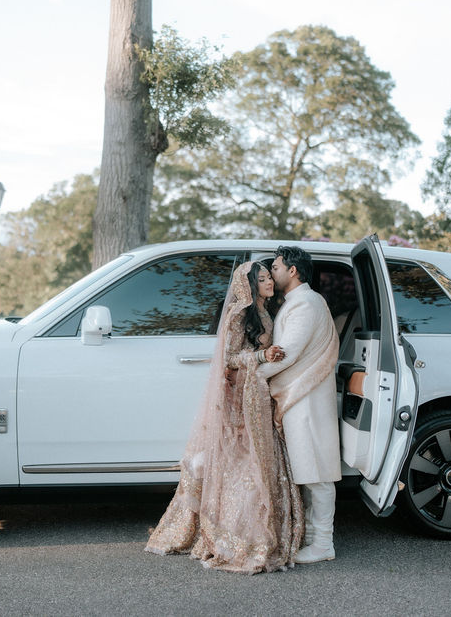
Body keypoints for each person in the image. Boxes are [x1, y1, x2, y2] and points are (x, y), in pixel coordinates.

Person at [144, 261, 304, 574]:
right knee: (242, 459)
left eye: (270, 277)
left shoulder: (266, 311)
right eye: (262, 279)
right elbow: (228, 358)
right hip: (240, 395)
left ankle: (262, 526)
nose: (269, 282)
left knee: (260, 456)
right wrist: (261, 355)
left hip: (258, 391)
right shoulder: (239, 314)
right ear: (249, 285)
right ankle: (236, 533)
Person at [259, 245, 341, 564]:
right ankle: (311, 537)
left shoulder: (306, 303)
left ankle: (323, 544)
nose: (271, 273)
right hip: (300, 395)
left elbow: (287, 353)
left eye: (275, 267)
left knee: (318, 472)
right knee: (309, 471)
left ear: (293, 271)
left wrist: (252, 374)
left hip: (307, 397)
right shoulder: (297, 301)